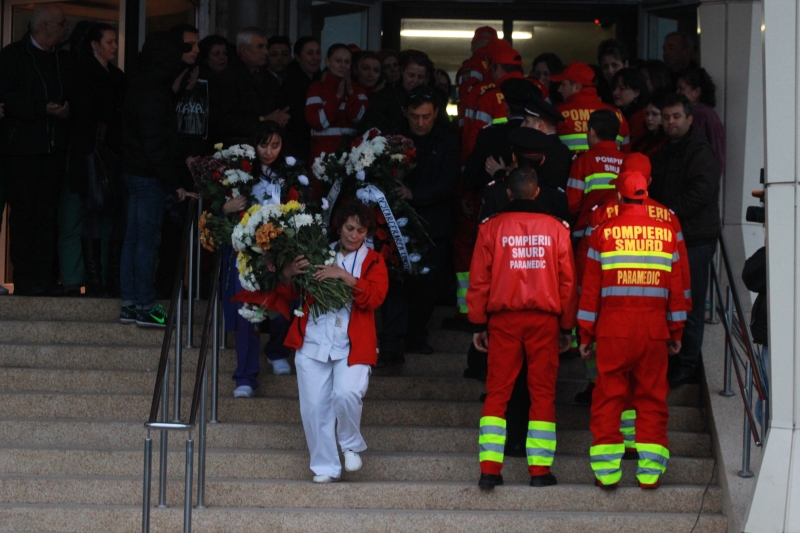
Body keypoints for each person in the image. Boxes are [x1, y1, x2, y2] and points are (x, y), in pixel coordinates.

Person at [467, 166, 577, 490]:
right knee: (542, 393)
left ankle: (489, 470)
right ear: (537, 192)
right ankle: (540, 473)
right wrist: (567, 327)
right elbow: (569, 284)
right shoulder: (557, 229)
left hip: (504, 320)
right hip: (544, 321)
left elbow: (479, 281)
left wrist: (477, 323)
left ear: (509, 193)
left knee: (498, 394)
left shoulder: (490, 229)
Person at [577, 170, 686, 490]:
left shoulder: (603, 232)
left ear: (619, 198)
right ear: (646, 194)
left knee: (608, 397)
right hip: (653, 333)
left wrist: (585, 335)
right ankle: (650, 473)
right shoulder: (667, 234)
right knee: (652, 398)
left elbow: (590, 292)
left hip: (612, 332)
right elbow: (676, 291)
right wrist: (676, 332)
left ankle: (607, 473)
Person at [275, 201, 389, 483]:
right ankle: (325, 466)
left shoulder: (374, 260)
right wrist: (288, 273)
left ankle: (349, 444)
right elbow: (287, 294)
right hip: (314, 339)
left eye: (361, 230)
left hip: (354, 343)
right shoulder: (315, 252)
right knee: (313, 408)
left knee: (346, 394)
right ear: (338, 226)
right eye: (350, 228)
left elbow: (375, 297)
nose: (355, 235)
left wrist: (344, 276)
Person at [118, 32, 198, 327]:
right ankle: (146, 306)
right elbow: (155, 143)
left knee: (134, 239)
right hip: (148, 176)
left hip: (135, 172)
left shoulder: (141, 85)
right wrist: (173, 181)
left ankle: (131, 303)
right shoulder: (153, 92)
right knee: (146, 241)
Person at [378, 86, 460, 366]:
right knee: (396, 284)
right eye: (415, 116)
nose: (421, 122)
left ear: (436, 113)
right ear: (407, 114)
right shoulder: (392, 140)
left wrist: (415, 194)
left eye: (426, 116)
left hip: (433, 225)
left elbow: (450, 183)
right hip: (396, 224)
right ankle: (392, 340)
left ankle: (416, 335)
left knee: (427, 286)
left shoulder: (447, 142)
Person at [449, 79, 535, 330]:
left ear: (506, 107)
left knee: (486, 263)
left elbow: (472, 176)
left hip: (492, 213)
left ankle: (474, 315)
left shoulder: (490, 135)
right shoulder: (539, 138)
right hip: (534, 220)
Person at [222, 122, 298, 397]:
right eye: (263, 145)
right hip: (246, 254)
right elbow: (218, 218)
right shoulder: (239, 174)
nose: (269, 151)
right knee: (248, 315)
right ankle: (245, 377)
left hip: (280, 252)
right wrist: (224, 207)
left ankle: (277, 351)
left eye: (275, 145)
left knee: (285, 305)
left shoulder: (289, 176)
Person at [0, 4, 72, 296]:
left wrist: (67, 110)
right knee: (25, 214)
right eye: (61, 23)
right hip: (21, 149)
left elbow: (76, 93)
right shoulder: (13, 56)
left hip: (53, 149)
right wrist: (42, 109)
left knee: (48, 214)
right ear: (43, 26)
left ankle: (45, 277)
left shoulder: (63, 60)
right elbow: (7, 97)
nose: (65, 28)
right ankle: (25, 277)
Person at [648, 93, 720, 388]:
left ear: (690, 119)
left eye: (676, 117)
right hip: (674, 238)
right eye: (666, 117)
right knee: (674, 302)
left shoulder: (700, 150)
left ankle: (687, 366)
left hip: (694, 238)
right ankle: (676, 362)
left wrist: (667, 213)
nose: (670, 122)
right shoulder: (664, 151)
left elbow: (702, 191)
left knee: (689, 305)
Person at [68, 22, 127, 298]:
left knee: (112, 214)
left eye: (115, 42)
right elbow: (86, 114)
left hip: (111, 151)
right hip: (92, 152)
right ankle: (94, 279)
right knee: (93, 212)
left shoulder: (115, 74)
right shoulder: (83, 72)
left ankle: (109, 277)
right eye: (109, 42)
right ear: (95, 44)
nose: (114, 47)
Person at [217, 27, 289, 146]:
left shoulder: (270, 78)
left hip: (268, 145)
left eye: (266, 46)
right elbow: (226, 121)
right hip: (239, 147)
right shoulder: (228, 78)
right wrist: (264, 119)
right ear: (243, 50)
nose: (266, 52)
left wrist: (281, 116)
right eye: (260, 47)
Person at [566, 110, 626, 242]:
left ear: (592, 132)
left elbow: (572, 205)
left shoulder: (583, 161)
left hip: (587, 233)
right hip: (620, 233)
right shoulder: (626, 161)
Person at [360, 50, 449, 134]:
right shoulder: (383, 97)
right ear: (402, 71)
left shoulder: (434, 98)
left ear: (426, 77)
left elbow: (444, 129)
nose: (415, 80)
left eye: (420, 77)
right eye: (411, 75)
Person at [551, 62, 631, 154]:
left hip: (573, 168)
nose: (559, 90)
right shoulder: (618, 115)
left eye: (563, 85)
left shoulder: (556, 114)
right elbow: (626, 156)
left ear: (576, 86)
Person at [305, 44, 365, 169]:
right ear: (327, 62)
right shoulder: (316, 88)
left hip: (351, 158)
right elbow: (317, 122)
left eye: (347, 62)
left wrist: (350, 92)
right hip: (322, 159)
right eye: (338, 61)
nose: (343, 65)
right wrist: (337, 97)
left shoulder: (358, 90)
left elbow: (359, 119)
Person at [676, 68, 725, 176]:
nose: (677, 92)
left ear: (696, 92)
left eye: (681, 88)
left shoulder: (697, 115)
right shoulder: (708, 113)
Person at [281, 36, 321, 161]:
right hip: (296, 148)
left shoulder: (320, 79)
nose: (315, 57)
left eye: (318, 52)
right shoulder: (290, 82)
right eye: (310, 53)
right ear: (297, 57)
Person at [612, 68, 650, 148]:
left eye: (622, 89)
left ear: (636, 92)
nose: (615, 92)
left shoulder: (640, 118)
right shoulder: (619, 113)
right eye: (614, 88)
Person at [597, 39, 630, 104]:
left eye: (615, 65)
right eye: (605, 67)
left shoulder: (636, 87)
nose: (610, 71)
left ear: (626, 64)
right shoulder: (598, 91)